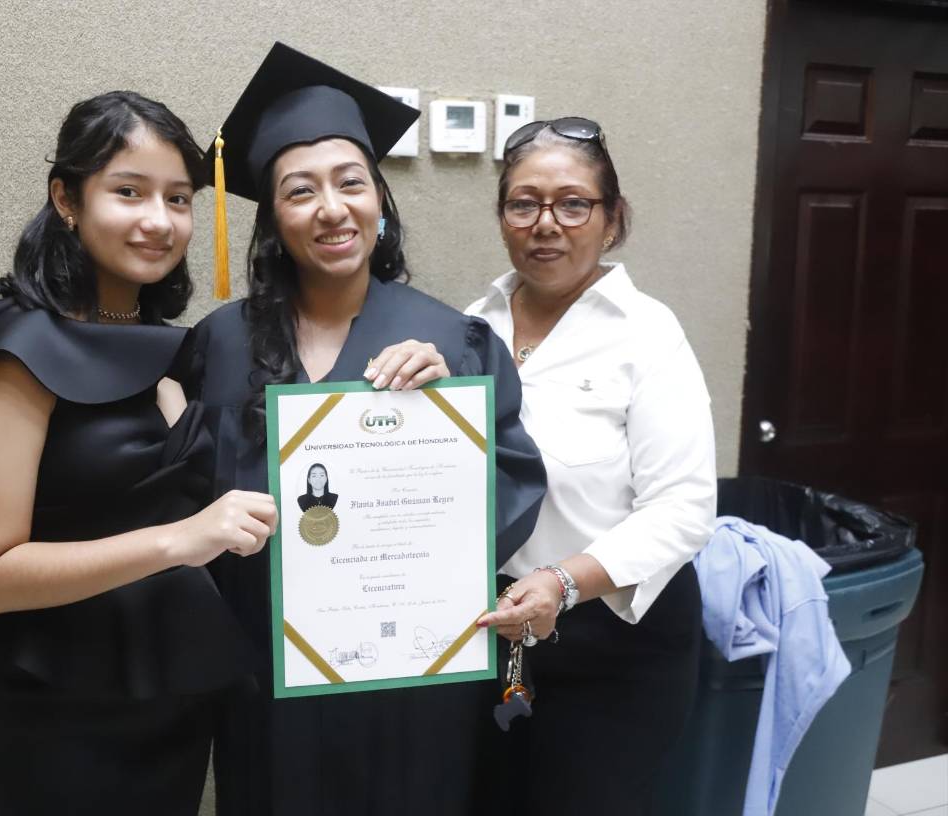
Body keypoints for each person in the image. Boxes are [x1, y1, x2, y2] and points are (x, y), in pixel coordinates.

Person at [185, 43, 548, 816]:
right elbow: (184, 501)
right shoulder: (220, 344)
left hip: (409, 677)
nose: (331, 208)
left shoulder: (452, 342)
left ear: (380, 200)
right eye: (299, 191)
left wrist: (451, 422)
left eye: (351, 183)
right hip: (269, 674)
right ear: (271, 219)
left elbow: (509, 489)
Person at [0, 91, 278, 815]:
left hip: (169, 709)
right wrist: (179, 540)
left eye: (178, 199)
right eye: (129, 192)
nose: (159, 220)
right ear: (67, 199)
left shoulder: (174, 348)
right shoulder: (21, 351)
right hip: (64, 720)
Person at [468, 117, 717, 814]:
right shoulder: (468, 328)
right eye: (524, 203)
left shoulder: (646, 333)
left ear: (611, 221)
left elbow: (684, 509)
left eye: (573, 203)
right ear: (503, 217)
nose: (546, 222)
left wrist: (560, 582)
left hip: (616, 644)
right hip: (492, 632)